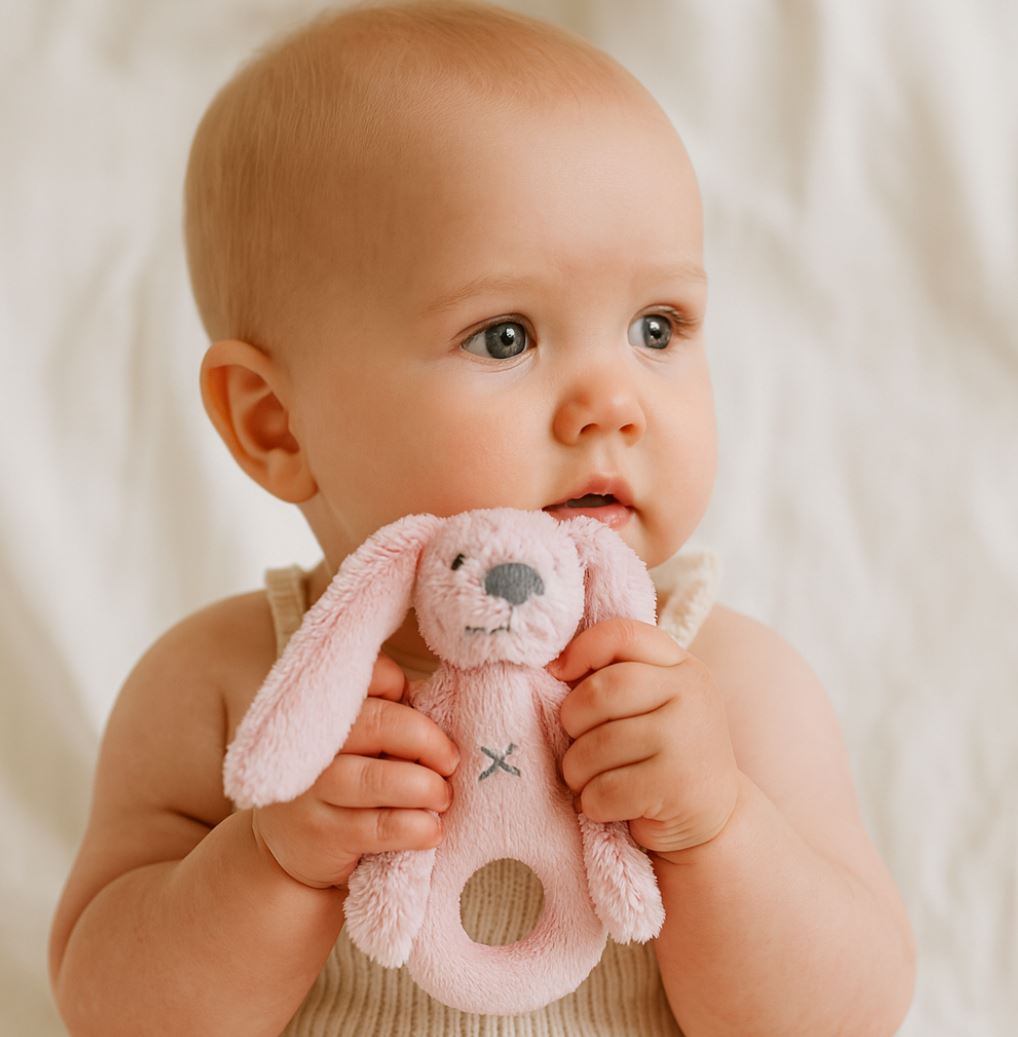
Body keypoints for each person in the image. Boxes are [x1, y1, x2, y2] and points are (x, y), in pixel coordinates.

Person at [47, 1, 916, 1033]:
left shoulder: (730, 687)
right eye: (505, 336)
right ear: (277, 422)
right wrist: (273, 860)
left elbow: (846, 1014)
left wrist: (717, 823)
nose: (613, 402)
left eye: (656, 327)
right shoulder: (225, 687)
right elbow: (112, 1010)